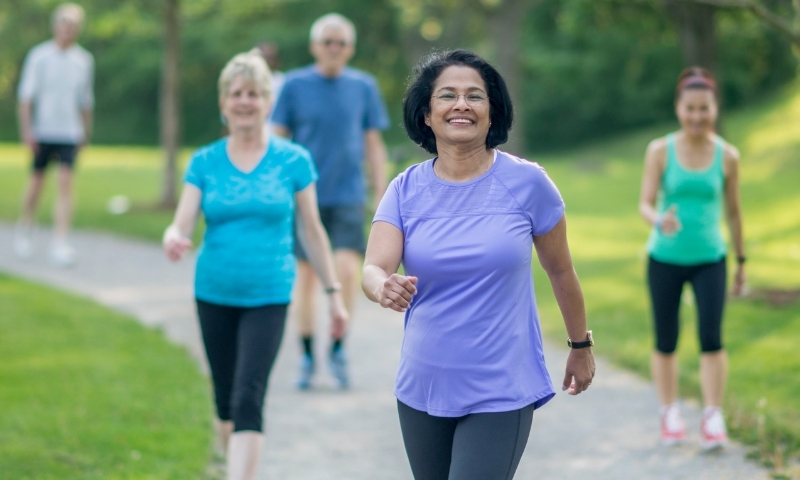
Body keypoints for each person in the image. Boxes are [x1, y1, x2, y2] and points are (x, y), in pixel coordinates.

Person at [361, 49, 595, 480]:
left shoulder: (528, 183)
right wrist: (382, 286)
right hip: (422, 386)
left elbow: (561, 270)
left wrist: (580, 346)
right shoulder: (405, 188)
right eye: (447, 95)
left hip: (502, 387)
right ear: (427, 115)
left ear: (492, 114)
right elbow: (373, 267)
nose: (461, 104)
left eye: (475, 96)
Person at [162, 51, 348, 480]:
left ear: (267, 101)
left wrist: (334, 295)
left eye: (253, 94)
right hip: (214, 292)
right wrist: (174, 237)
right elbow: (183, 220)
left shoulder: (293, 160)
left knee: (249, 397)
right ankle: (232, 466)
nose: (245, 102)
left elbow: (313, 230)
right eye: (236, 94)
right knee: (226, 403)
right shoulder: (205, 161)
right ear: (223, 103)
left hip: (269, 292)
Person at [271, 12, 390, 389]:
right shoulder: (293, 85)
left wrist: (382, 194)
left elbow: (373, 143)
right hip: (304, 197)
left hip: (348, 195)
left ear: (350, 48)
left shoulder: (363, 87)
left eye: (341, 43)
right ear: (314, 47)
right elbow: (277, 139)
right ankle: (307, 354)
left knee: (345, 272)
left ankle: (338, 345)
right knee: (306, 278)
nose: (334, 49)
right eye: (328, 42)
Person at [638, 67, 745, 449]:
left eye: (704, 108)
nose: (697, 116)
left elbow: (733, 212)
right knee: (666, 338)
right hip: (664, 258)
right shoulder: (660, 150)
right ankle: (670, 412)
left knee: (711, 337)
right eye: (690, 108)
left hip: (710, 258)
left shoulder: (727, 155)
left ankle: (712, 416)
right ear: (678, 108)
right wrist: (658, 220)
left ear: (714, 108)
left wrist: (741, 260)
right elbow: (645, 203)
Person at [14, 3, 94, 267]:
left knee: (65, 185)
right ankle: (25, 229)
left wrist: (85, 132)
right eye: (64, 24)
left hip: (69, 132)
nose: (68, 30)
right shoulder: (39, 56)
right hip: (43, 131)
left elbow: (85, 100)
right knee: (36, 183)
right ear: (56, 25)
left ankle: (60, 240)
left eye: (73, 25)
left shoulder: (83, 60)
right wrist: (27, 131)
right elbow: (26, 97)